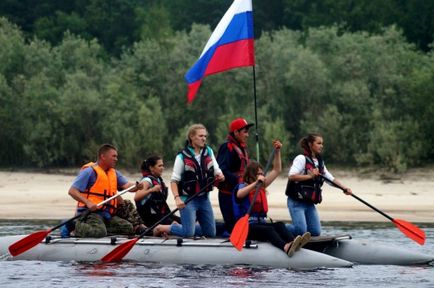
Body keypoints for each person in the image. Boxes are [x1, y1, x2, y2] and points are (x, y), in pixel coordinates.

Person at [233, 140, 311, 257]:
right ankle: (284, 247)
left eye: (261, 173)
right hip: (248, 227)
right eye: (258, 174)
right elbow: (239, 194)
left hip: (261, 223)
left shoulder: (262, 186)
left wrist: (277, 151)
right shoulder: (243, 186)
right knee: (269, 231)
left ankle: (293, 243)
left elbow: (276, 170)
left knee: (279, 225)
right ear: (250, 175)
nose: (261, 176)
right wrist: (255, 183)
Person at [153, 124, 225, 238]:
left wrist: (220, 175)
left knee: (211, 233)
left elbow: (217, 170)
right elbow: (174, 181)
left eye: (205, 136)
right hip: (188, 200)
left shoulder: (209, 151)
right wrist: (177, 199)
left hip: (204, 199)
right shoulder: (182, 156)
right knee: (188, 233)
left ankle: (190, 225)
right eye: (200, 136)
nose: (204, 139)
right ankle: (164, 227)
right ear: (192, 137)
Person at [67, 143, 144, 238]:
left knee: (128, 228)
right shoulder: (89, 172)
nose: (116, 159)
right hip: (90, 214)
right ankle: (74, 226)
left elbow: (127, 186)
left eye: (116, 156)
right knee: (99, 232)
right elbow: (72, 191)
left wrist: (137, 186)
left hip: (107, 214)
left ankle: (101, 229)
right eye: (114, 156)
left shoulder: (114, 173)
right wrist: (88, 202)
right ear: (103, 156)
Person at [285, 133, 352, 237]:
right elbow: (291, 176)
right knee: (300, 231)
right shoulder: (301, 158)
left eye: (322, 143)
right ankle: (278, 228)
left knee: (315, 232)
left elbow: (330, 178)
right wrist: (310, 176)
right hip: (296, 202)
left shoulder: (320, 162)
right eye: (319, 143)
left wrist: (344, 188)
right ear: (310, 144)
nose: (322, 146)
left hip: (309, 203)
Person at [217, 118, 253, 234]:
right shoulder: (227, 147)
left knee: (240, 225)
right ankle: (203, 227)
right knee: (232, 227)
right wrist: (239, 181)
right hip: (227, 195)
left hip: (240, 195)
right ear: (236, 132)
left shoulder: (242, 148)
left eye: (248, 132)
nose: (247, 135)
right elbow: (222, 170)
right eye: (245, 132)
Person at [134, 156, 180, 229]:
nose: (162, 168)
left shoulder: (158, 180)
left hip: (160, 215)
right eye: (159, 166)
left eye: (163, 165)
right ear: (151, 168)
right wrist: (151, 190)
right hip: (150, 218)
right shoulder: (147, 181)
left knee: (183, 221)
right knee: (175, 224)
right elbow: (136, 197)